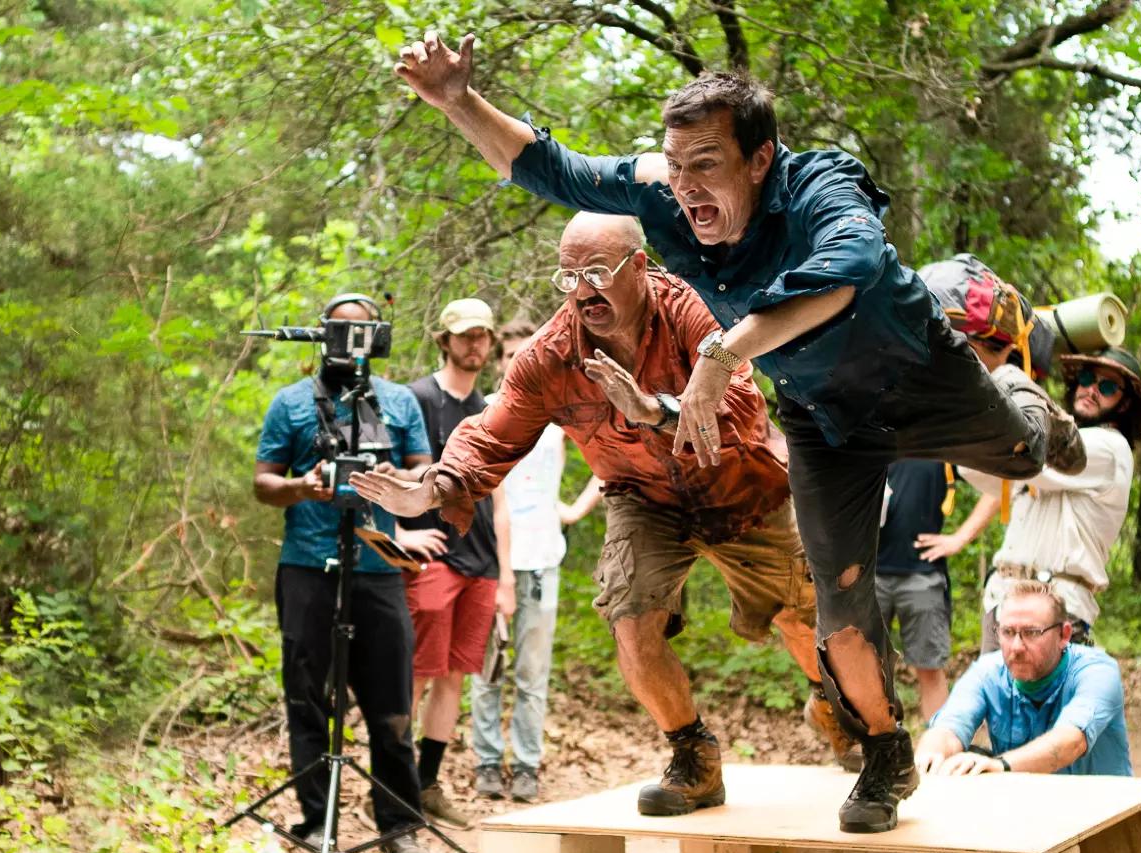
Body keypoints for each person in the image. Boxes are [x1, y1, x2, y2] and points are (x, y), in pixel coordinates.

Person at [390, 33, 1087, 831]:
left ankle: (1028, 399)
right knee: (841, 600)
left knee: (1027, 449)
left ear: (760, 160)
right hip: (827, 421)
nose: (685, 188)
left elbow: (850, 268)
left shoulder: (819, 185)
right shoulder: (659, 198)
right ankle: (888, 756)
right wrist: (457, 101)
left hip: (920, 379)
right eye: (674, 164)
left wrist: (723, 353)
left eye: (707, 166)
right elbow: (556, 169)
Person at [353, 212, 859, 819]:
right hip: (642, 497)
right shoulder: (550, 354)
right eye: (567, 278)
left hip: (740, 487)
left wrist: (656, 410)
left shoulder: (694, 311)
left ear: (639, 268)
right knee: (631, 622)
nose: (581, 291)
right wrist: (434, 489)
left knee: (799, 619)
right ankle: (693, 757)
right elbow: (492, 432)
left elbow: (744, 408)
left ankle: (829, 698)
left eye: (595, 273)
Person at [253, 293, 436, 853]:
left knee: (391, 698)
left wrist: (398, 480)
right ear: (322, 335)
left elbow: (425, 468)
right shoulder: (291, 403)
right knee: (307, 695)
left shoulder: (399, 402)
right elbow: (263, 481)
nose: (350, 343)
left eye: (362, 333)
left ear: (377, 339)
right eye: (340, 331)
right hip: (308, 563)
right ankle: (317, 821)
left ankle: (399, 823)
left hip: (378, 566)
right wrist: (303, 487)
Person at [471, 317, 602, 804]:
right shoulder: (484, 412)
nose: (515, 362)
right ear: (500, 361)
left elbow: (604, 460)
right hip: (493, 560)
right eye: (507, 355)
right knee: (488, 668)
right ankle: (487, 761)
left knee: (532, 671)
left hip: (544, 556)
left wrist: (573, 508)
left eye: (524, 352)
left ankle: (526, 765)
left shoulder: (560, 413)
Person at [399, 297, 513, 831]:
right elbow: (393, 475)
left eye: (483, 335)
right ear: (444, 340)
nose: (475, 344)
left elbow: (501, 497)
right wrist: (400, 533)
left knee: (453, 680)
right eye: (465, 335)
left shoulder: (492, 410)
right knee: (417, 674)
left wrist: (506, 575)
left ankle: (428, 785)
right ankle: (394, 789)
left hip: (482, 564)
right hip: (433, 556)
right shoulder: (417, 400)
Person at [955, 347, 1141, 652]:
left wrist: (1009, 377)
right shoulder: (1039, 447)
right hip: (1001, 601)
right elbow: (973, 468)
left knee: (1043, 702)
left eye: (1108, 387)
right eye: (1088, 378)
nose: (1092, 390)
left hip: (1055, 607)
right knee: (993, 702)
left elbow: (1029, 461)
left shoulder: (1109, 448)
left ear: (1125, 404)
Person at [914, 579, 1132, 776]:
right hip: (1027, 810)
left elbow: (1071, 741)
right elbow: (948, 727)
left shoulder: (1097, 672)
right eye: (1008, 632)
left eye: (1032, 633)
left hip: (1104, 812)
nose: (1016, 647)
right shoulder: (988, 672)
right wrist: (929, 758)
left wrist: (1000, 765)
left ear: (1064, 635)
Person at [874, 460, 986, 719]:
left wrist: (960, 538)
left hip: (923, 575)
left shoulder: (938, 439)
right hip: (867, 573)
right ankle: (870, 754)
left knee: (930, 670)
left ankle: (938, 752)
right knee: (863, 671)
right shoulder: (869, 435)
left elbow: (999, 483)